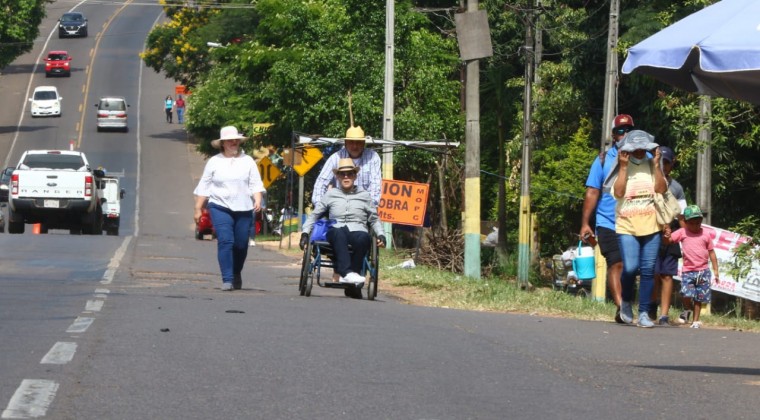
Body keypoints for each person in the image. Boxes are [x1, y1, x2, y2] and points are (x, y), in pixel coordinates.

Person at [605, 129, 667, 328]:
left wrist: (657, 165)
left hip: (651, 225)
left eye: (643, 149)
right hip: (627, 225)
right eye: (635, 150)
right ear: (628, 151)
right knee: (630, 268)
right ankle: (625, 302)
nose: (640, 152)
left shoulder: (652, 164)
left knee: (648, 270)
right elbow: (619, 192)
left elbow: (661, 189)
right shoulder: (620, 166)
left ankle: (644, 314)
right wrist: (623, 167)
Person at [193, 126, 265, 291]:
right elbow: (204, 186)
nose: (234, 142)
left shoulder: (248, 161)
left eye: (236, 140)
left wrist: (258, 199)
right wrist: (198, 208)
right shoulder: (214, 162)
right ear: (223, 143)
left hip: (244, 207)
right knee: (225, 240)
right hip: (220, 206)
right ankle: (227, 279)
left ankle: (236, 272)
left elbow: (255, 183)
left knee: (240, 245)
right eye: (230, 140)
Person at [579, 114, 634, 323]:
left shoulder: (642, 158)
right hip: (607, 221)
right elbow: (592, 192)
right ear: (613, 135)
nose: (625, 134)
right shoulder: (603, 159)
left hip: (634, 222)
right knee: (616, 262)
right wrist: (585, 223)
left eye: (629, 130)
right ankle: (622, 308)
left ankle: (629, 305)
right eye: (621, 131)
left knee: (632, 266)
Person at [300, 158, 386, 289]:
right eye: (342, 174)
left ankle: (353, 278)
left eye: (350, 174)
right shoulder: (330, 194)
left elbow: (374, 219)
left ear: (355, 176)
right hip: (336, 228)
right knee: (338, 233)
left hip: (358, 229)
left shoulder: (364, 195)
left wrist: (381, 234)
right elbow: (314, 215)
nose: (346, 177)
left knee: (364, 238)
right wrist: (305, 233)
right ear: (338, 176)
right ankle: (346, 272)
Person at [664, 205, 719, 329]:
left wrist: (716, 270)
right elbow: (669, 241)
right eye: (692, 223)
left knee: (699, 297)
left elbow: (711, 252)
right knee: (687, 294)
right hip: (688, 271)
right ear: (686, 222)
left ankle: (695, 321)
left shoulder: (706, 234)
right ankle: (687, 308)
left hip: (703, 271)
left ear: (701, 221)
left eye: (698, 223)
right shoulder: (682, 232)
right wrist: (666, 236)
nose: (695, 226)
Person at [650, 146, 687, 325]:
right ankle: (650, 304)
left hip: (671, 235)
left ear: (672, 164)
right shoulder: (648, 182)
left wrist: (686, 239)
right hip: (651, 232)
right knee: (653, 272)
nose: (663, 166)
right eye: (660, 161)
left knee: (667, 275)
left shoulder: (677, 188)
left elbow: (682, 216)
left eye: (667, 162)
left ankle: (664, 314)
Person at [312, 125, 382, 207]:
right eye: (351, 142)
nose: (355, 146)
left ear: (364, 143)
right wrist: (320, 207)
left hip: (364, 208)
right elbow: (321, 182)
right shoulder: (335, 158)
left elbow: (375, 186)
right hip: (339, 209)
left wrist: (368, 208)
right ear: (345, 143)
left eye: (358, 142)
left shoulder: (372, 157)